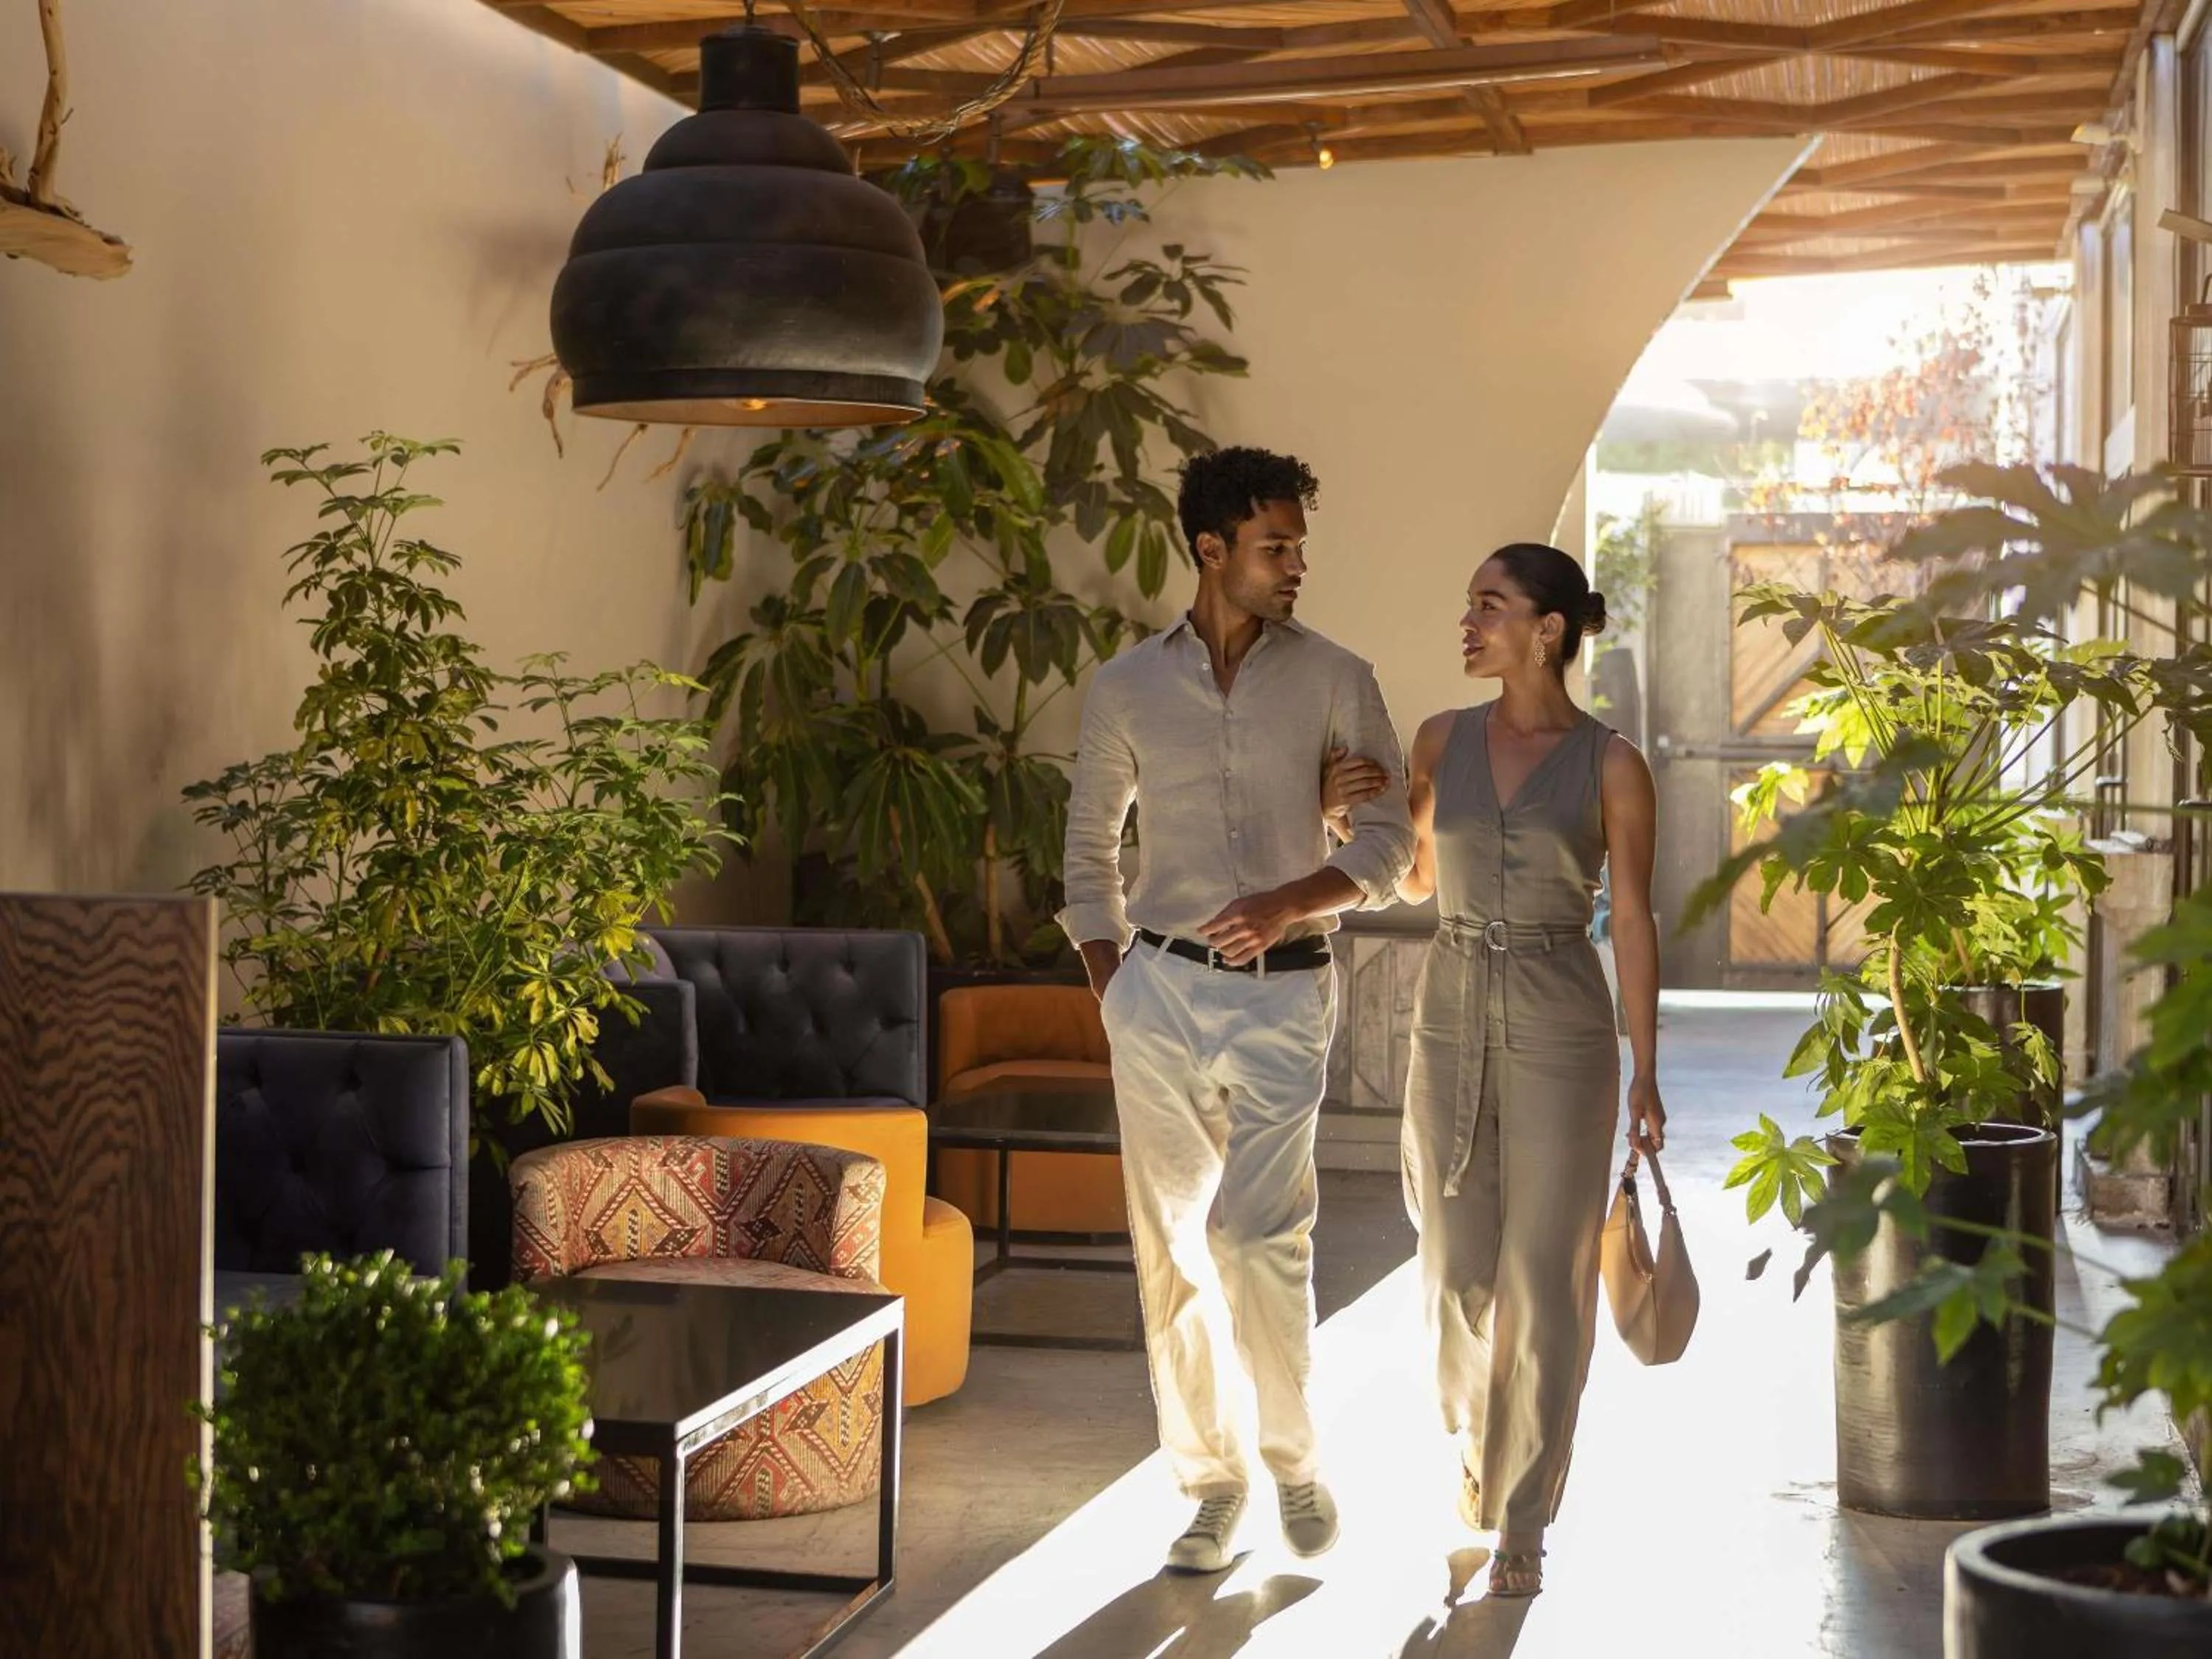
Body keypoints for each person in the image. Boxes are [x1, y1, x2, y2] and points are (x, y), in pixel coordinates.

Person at [1060, 446, 1416, 1574]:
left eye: (1298, 543)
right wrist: (1116, 987)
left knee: (1262, 1236)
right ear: (1211, 550)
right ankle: (1211, 1488)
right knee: (1171, 1249)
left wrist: (1287, 901)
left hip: (1287, 993)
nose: (1298, 563)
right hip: (1155, 997)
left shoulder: (1338, 676)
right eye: (1277, 545)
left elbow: (1390, 840)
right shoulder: (1124, 686)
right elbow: (1086, 852)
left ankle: (1295, 1457)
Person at [1379, 541, 1665, 1600]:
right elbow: (1413, 880)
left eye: (1488, 607)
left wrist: (1646, 1068)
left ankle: (1526, 1513)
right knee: (1455, 1270)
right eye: (1469, 606)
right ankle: (1477, 1441)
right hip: (1449, 1007)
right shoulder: (1439, 737)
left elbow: (1630, 917)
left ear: (1547, 630)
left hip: (1562, 1017)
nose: (1469, 622)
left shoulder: (1612, 763)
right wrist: (1365, 809)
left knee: (1546, 1279)